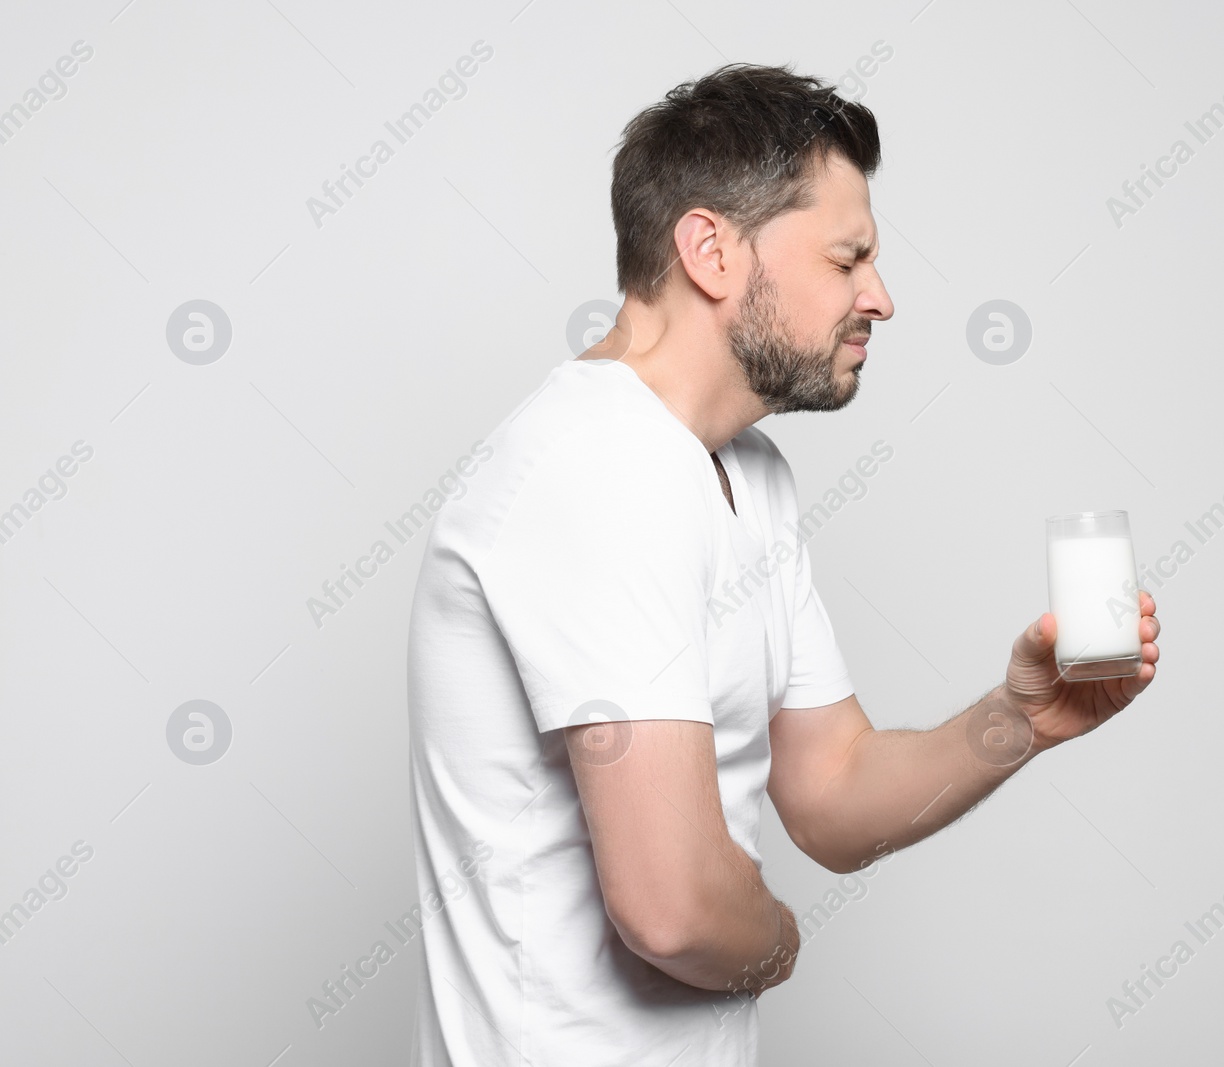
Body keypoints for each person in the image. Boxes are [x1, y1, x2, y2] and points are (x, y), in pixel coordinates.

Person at [405, 61, 1161, 1066]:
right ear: (711, 249)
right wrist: (780, 944)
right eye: (848, 258)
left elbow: (832, 792)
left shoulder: (741, 471)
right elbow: (671, 907)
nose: (881, 297)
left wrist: (1018, 718)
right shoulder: (599, 466)